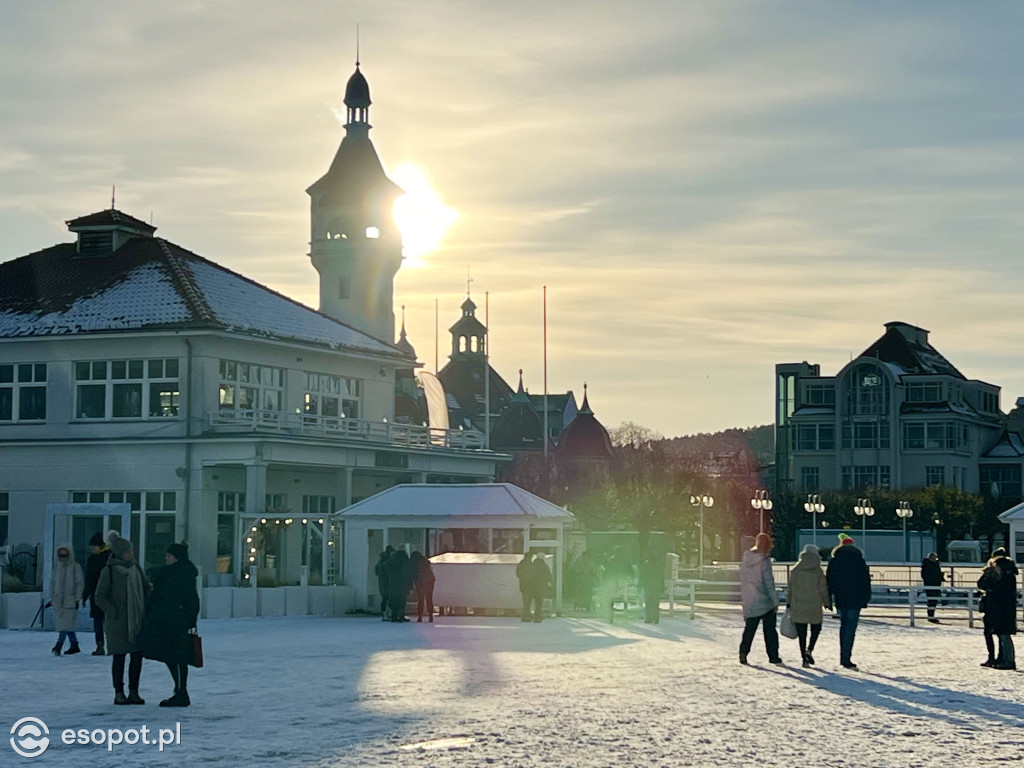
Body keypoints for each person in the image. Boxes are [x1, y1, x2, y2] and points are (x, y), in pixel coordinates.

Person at [94, 531, 151, 705]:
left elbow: (146, 587)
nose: (131, 554)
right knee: (119, 657)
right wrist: (112, 611)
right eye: (127, 552)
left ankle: (134, 691)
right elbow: (99, 596)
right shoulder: (109, 571)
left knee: (137, 656)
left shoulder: (136, 568)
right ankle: (119, 692)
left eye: (131, 551)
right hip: (118, 622)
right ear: (119, 553)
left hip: (137, 620)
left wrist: (148, 605)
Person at [142, 542, 201, 707]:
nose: (166, 558)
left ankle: (181, 691)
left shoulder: (182, 574)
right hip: (165, 620)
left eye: (169, 555)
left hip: (175, 621)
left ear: (176, 558)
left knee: (178, 657)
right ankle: (179, 690)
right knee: (170, 656)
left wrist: (190, 618)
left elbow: (191, 599)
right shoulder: (168, 573)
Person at [826, 532, 871, 670]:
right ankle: (847, 658)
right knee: (851, 627)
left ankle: (843, 656)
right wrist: (865, 597)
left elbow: (830, 579)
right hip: (856, 597)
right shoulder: (859, 560)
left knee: (843, 626)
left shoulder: (835, 560)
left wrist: (830, 596)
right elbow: (865, 580)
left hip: (842, 597)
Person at [738, 533, 782, 665]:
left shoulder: (746, 560)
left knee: (750, 628)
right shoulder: (764, 560)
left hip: (751, 598)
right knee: (770, 631)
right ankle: (773, 656)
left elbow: (743, 579)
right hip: (765, 600)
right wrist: (775, 601)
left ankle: (743, 652)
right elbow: (769, 582)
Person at [788, 543, 831, 667]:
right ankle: (809, 649)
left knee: (802, 633)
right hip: (814, 605)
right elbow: (823, 589)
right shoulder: (818, 571)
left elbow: (791, 589)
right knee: (816, 629)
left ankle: (803, 657)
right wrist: (827, 603)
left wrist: (788, 603)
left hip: (798, 604)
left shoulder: (795, 570)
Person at [978, 547, 1018, 670]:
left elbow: (997, 589)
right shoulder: (1006, 573)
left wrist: (991, 586)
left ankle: (1007, 660)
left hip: (1000, 607)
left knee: (1003, 634)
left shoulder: (1002, 574)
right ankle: (1002, 659)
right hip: (1002, 607)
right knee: (1002, 633)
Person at [50, 544, 84, 656]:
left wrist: (77, 598)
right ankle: (74, 644)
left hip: (70, 600)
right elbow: (53, 583)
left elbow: (80, 583)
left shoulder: (75, 567)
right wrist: (53, 597)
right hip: (59, 601)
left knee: (65, 625)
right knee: (66, 625)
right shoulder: (57, 568)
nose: (61, 558)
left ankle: (58, 645)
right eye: (59, 555)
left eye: (64, 555)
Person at [82, 531, 110, 655]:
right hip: (95, 594)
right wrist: (85, 594)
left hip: (107, 593)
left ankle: (109, 645)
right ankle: (100, 645)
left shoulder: (109, 557)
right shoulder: (92, 559)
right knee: (98, 621)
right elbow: (89, 578)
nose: (92, 548)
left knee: (107, 621)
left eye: (94, 546)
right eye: (91, 546)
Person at [386, 548, 412, 622]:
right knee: (401, 601)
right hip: (402, 585)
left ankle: (394, 616)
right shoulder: (404, 563)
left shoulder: (391, 562)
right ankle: (401, 616)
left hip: (393, 584)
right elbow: (408, 574)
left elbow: (386, 567)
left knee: (394, 600)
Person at [526, 552, 553, 623]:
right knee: (539, 603)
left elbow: (528, 575)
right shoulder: (545, 566)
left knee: (528, 602)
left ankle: (527, 616)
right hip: (540, 587)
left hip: (531, 586)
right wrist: (549, 583)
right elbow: (549, 576)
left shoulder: (531, 565)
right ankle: (537, 617)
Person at [410, 551, 435, 623]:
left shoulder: (415, 562)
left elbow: (416, 573)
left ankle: (420, 616)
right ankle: (430, 616)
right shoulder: (425, 561)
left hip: (421, 581)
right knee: (429, 598)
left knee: (420, 599)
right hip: (430, 580)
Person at [639, 555, 664, 624]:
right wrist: (662, 586)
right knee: (655, 603)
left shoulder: (645, 565)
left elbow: (642, 576)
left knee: (648, 603)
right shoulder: (658, 566)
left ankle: (648, 618)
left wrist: (640, 585)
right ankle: (655, 618)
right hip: (656, 586)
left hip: (647, 586)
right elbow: (661, 576)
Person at [921, 552, 944, 624]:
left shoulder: (936, 564)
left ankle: (931, 615)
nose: (934, 559)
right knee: (931, 600)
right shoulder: (926, 565)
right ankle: (930, 615)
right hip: (930, 585)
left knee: (934, 600)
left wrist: (940, 577)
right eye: (933, 557)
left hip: (936, 584)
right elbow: (925, 575)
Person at [374, 545, 394, 621]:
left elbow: (376, 571)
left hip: (383, 582)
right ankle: (387, 613)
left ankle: (385, 613)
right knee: (387, 598)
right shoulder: (388, 561)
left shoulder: (381, 561)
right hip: (387, 581)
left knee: (385, 598)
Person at [516, 551, 535, 621]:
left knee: (525, 601)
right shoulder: (530, 564)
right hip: (529, 585)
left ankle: (526, 615)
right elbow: (533, 574)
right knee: (528, 602)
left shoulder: (521, 564)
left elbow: (518, 574)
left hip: (523, 585)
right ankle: (526, 616)